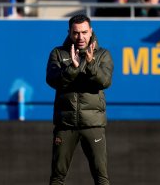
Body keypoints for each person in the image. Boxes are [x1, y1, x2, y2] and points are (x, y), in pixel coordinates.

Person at [46, 14, 114, 185]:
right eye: (76, 33)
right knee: (57, 177)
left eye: (84, 32)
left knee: (101, 177)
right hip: (66, 125)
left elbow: (104, 82)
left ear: (91, 31)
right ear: (69, 32)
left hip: (93, 125)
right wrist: (73, 68)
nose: (80, 37)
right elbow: (52, 80)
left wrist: (91, 64)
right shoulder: (58, 53)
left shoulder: (103, 54)